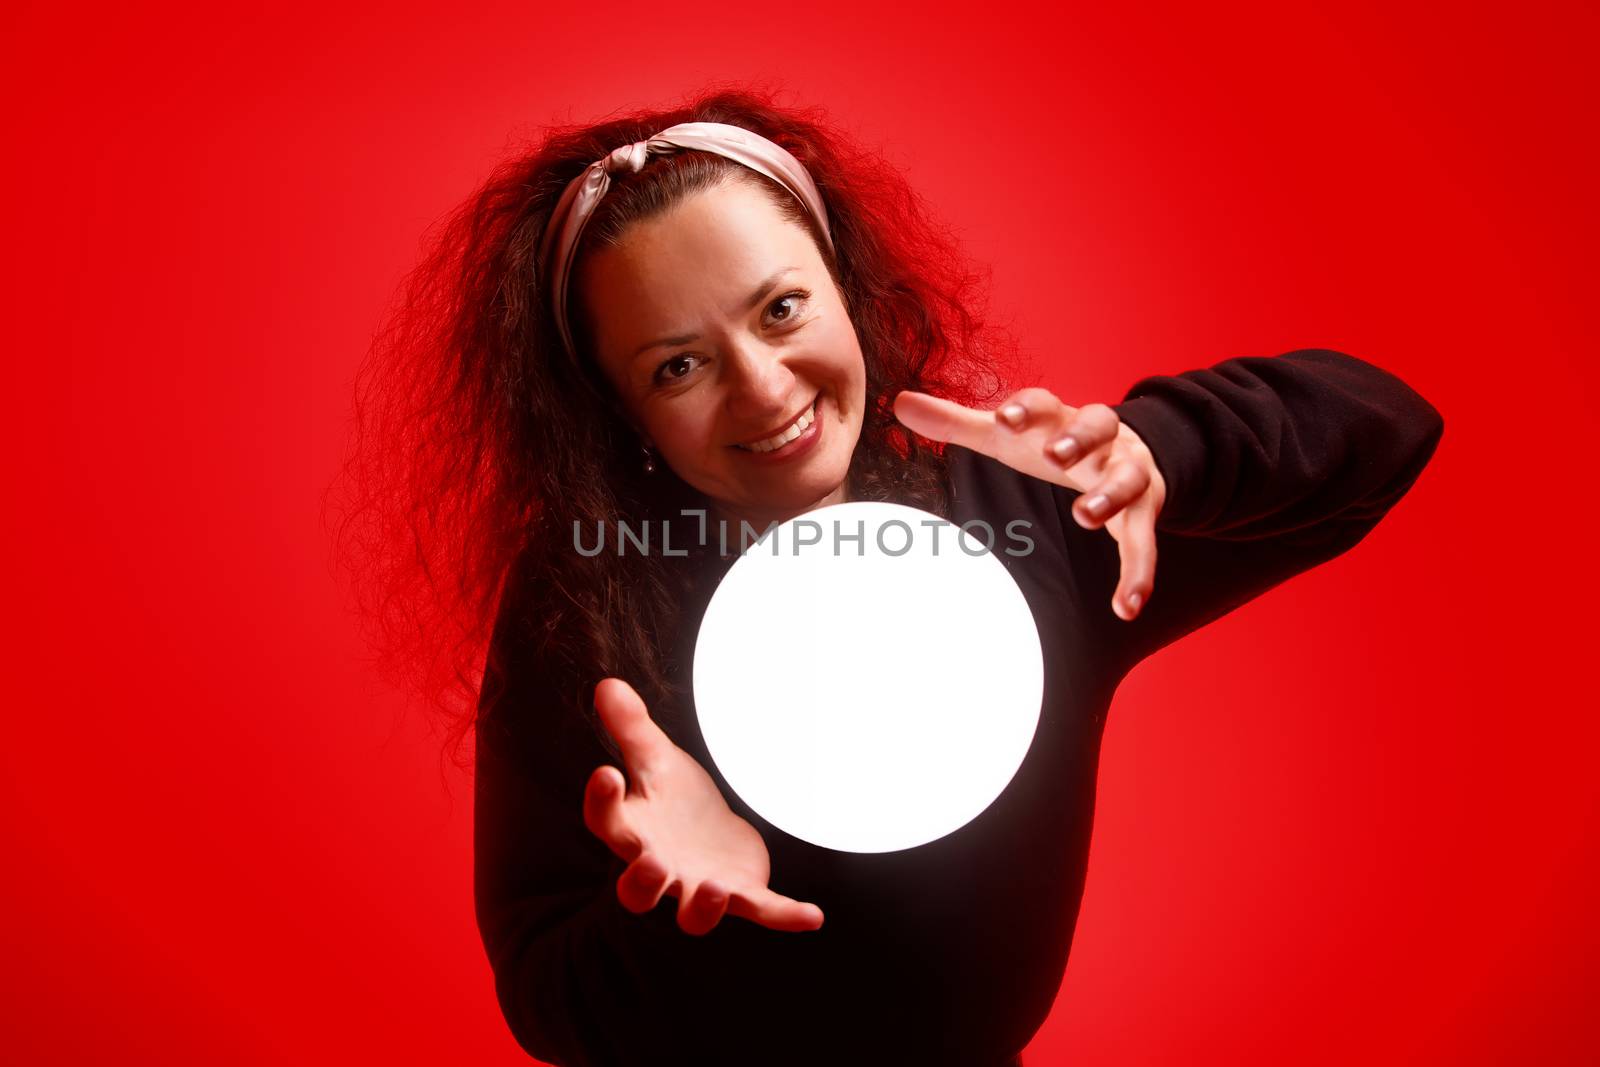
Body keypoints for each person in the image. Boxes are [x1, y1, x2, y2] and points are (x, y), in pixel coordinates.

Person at [344, 87, 1444, 1066]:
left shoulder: (1016, 527)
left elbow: (1385, 430)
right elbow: (546, 1000)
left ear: (845, 287)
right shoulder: (586, 600)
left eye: (781, 309)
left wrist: (1162, 449)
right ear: (617, 409)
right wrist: (673, 905)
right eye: (677, 364)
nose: (763, 387)